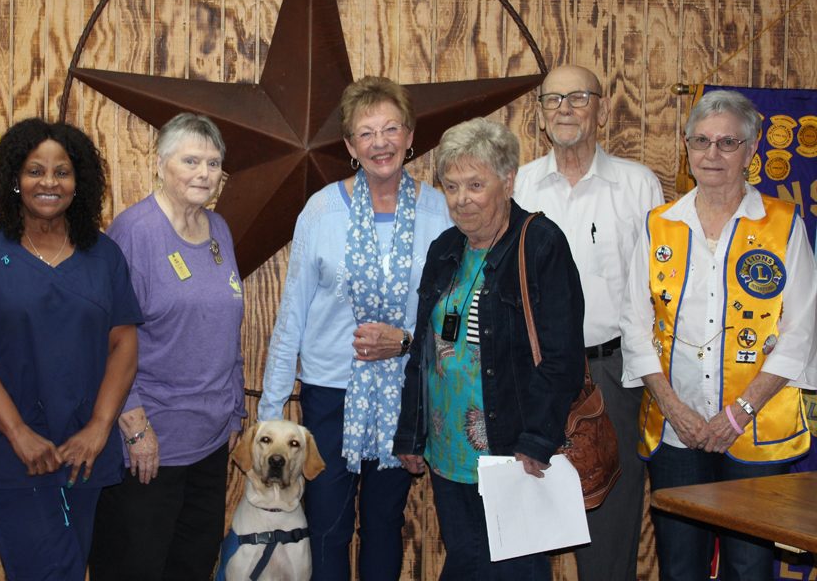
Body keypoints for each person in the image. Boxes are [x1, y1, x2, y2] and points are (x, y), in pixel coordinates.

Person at [258, 76, 452, 580]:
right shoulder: (321, 210)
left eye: (391, 128)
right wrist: (271, 410)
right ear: (349, 146)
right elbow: (291, 316)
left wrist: (406, 345)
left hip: (405, 394)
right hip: (330, 394)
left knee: (386, 523)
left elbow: (448, 314)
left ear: (411, 136)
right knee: (327, 524)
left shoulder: (438, 212)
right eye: (366, 133)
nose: (380, 142)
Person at [620, 90, 817, 581]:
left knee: (749, 566)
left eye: (728, 142)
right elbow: (634, 325)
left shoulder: (783, 225)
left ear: (751, 151)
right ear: (687, 148)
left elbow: (802, 331)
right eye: (702, 141)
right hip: (675, 430)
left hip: (753, 429)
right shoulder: (659, 225)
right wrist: (673, 408)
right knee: (680, 562)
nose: (713, 154)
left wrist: (738, 413)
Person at [0, 119, 141, 580]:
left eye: (62, 171)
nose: (49, 182)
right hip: (8, 457)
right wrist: (17, 432)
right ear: (14, 178)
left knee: (66, 568)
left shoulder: (104, 256)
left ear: (80, 181)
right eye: (35, 170)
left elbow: (124, 342)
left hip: (83, 455)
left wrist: (99, 427)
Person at [394, 117, 585, 579]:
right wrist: (411, 432)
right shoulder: (444, 249)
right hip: (448, 452)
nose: (461, 199)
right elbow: (424, 349)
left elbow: (562, 356)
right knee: (466, 560)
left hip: (511, 451)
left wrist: (537, 440)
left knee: (515, 570)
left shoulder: (541, 244)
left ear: (508, 180)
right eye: (452, 186)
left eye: (475, 185)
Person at [512, 64, 664, 581]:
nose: (565, 110)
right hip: (530, 378)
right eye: (553, 101)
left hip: (612, 374)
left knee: (610, 523)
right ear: (539, 115)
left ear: (601, 106)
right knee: (524, 527)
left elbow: (656, 291)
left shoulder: (638, 185)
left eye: (578, 97)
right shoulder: (520, 185)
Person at [89, 113, 247, 580]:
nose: (204, 172)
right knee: (136, 566)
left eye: (213, 163)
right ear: (160, 165)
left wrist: (234, 409)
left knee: (193, 564)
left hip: (212, 436)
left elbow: (227, 325)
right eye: (190, 160)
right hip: (151, 443)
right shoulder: (134, 232)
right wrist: (135, 427)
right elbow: (107, 339)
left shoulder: (219, 229)